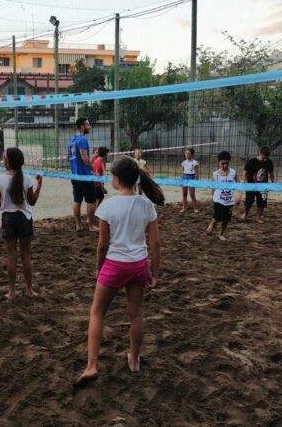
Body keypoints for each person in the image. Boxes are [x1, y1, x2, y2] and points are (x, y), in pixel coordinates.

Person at [76, 156, 164, 386]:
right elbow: (155, 244)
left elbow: (102, 245)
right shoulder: (147, 205)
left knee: (97, 312)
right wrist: (155, 273)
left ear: (116, 180)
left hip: (114, 265)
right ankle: (134, 360)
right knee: (135, 314)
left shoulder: (107, 206)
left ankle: (91, 366)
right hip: (138, 265)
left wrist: (99, 269)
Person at [0, 148, 43, 299]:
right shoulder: (27, 179)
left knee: (11, 256)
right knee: (26, 255)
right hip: (24, 218)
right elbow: (32, 202)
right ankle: (29, 290)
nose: (3, 161)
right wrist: (39, 185)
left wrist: (4, 199)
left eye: (4, 159)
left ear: (8, 162)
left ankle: (12, 292)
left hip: (8, 219)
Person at [67, 117, 97, 231]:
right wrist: (93, 169)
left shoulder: (71, 140)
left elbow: (68, 158)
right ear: (82, 126)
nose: (89, 127)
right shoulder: (82, 139)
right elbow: (84, 157)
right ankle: (91, 226)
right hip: (84, 175)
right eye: (88, 125)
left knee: (77, 201)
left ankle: (78, 225)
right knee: (92, 201)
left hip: (74, 175)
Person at [206, 151, 241, 241]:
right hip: (218, 200)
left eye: (227, 163)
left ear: (229, 162)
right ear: (219, 162)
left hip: (229, 201)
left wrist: (239, 196)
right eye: (223, 163)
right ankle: (212, 223)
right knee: (217, 217)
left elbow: (239, 185)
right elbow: (213, 187)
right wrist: (213, 197)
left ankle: (221, 234)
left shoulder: (233, 172)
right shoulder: (215, 174)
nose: (225, 165)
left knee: (226, 220)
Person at [241, 146, 275, 223]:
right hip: (251, 185)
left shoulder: (269, 162)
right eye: (263, 158)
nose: (265, 160)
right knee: (249, 201)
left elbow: (271, 173)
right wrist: (246, 183)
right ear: (259, 154)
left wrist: (273, 183)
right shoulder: (251, 161)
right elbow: (245, 172)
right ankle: (245, 214)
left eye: (266, 158)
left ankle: (258, 217)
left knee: (262, 202)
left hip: (263, 186)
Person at [181, 147, 200, 213]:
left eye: (188, 153)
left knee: (192, 194)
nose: (187, 155)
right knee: (184, 194)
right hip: (184, 177)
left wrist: (196, 180)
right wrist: (181, 180)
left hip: (192, 177)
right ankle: (184, 208)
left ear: (192, 154)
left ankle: (195, 208)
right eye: (186, 153)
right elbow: (183, 171)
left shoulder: (195, 163)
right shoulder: (183, 162)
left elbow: (197, 173)